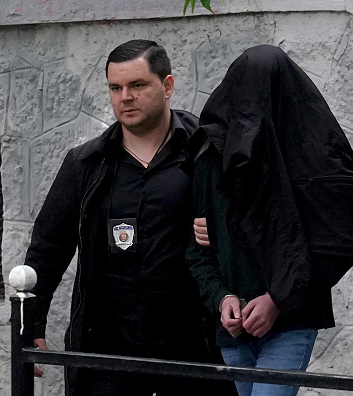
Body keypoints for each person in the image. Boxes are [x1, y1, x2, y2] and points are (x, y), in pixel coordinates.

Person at [23, 39, 235, 396]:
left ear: (167, 86)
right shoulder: (85, 165)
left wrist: (225, 229)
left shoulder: (208, 153)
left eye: (138, 85)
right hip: (106, 356)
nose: (125, 97)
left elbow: (255, 220)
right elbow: (47, 249)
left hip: (194, 353)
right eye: (116, 87)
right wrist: (32, 326)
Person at [186, 44, 353, 396]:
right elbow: (196, 249)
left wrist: (277, 300)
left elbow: (340, 242)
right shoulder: (212, 156)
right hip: (234, 327)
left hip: (292, 320)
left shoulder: (316, 160)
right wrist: (221, 298)